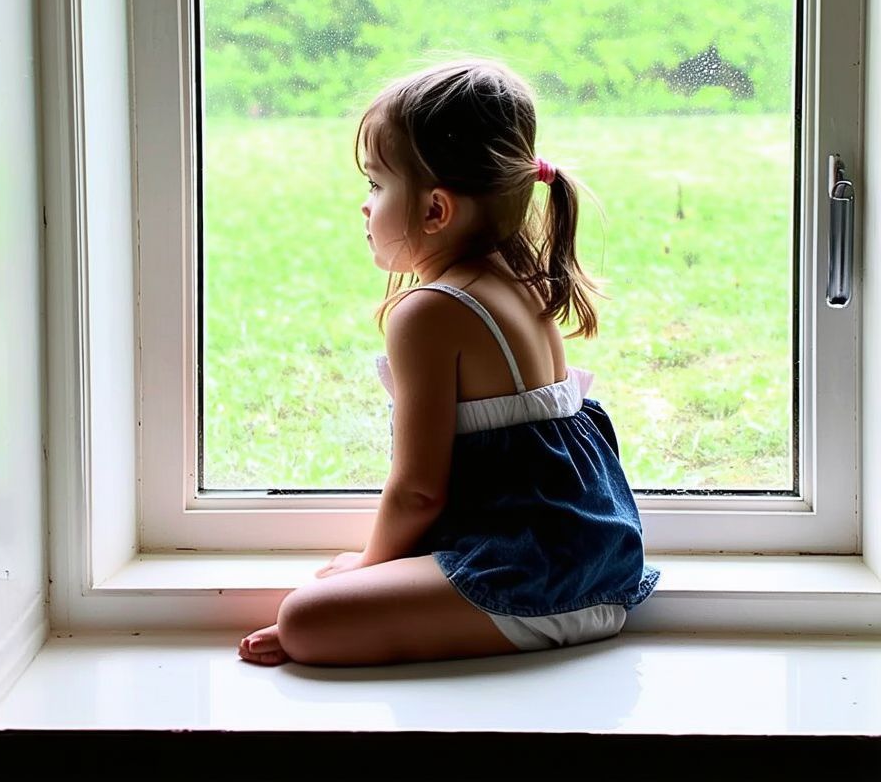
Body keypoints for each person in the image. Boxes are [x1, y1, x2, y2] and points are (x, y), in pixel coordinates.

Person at [238, 57, 659, 667]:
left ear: (436, 210)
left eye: (376, 185)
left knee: (305, 619)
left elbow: (417, 491)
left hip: (528, 579)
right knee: (317, 612)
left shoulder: (430, 312)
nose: (365, 206)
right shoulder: (519, 276)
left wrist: (368, 569)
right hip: (596, 563)